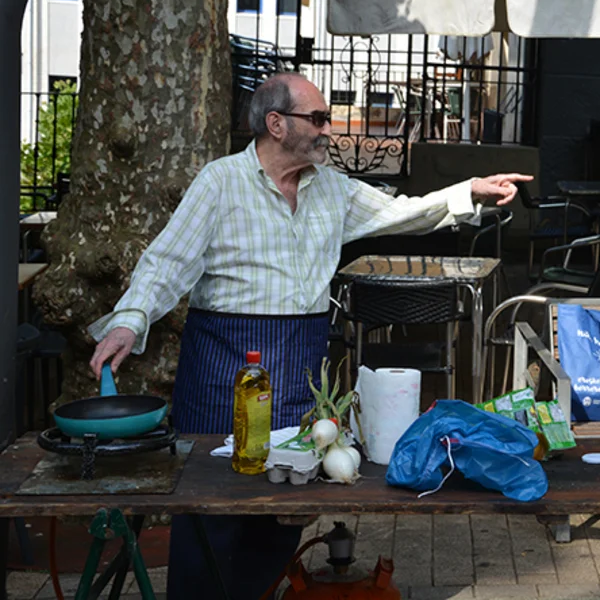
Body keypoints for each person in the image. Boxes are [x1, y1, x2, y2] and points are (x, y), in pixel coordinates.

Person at [86, 72, 532, 600]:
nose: (327, 130)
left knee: (287, 507)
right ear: (276, 124)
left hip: (300, 365)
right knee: (213, 505)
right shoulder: (219, 182)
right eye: (317, 118)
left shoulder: (333, 188)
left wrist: (469, 192)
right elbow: (167, 261)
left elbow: (401, 212)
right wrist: (129, 319)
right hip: (223, 365)